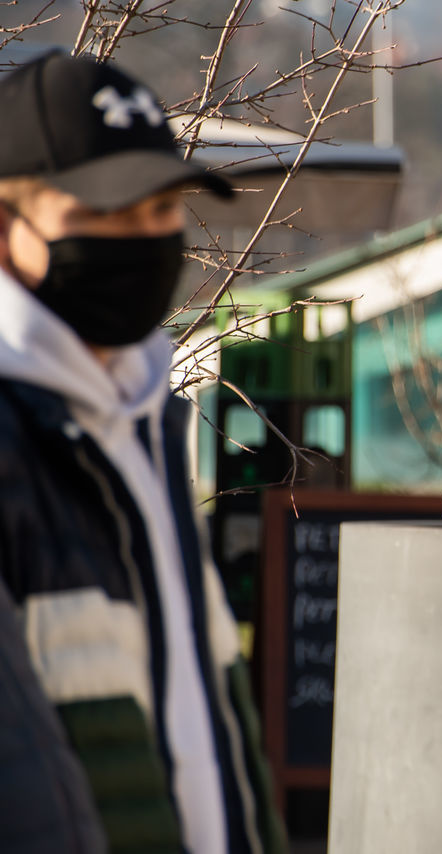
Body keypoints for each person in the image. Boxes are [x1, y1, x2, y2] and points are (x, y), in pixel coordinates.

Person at [0, 51, 286, 853]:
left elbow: (205, 715)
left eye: (164, 206)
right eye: (111, 212)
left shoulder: (143, 417)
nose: (149, 236)